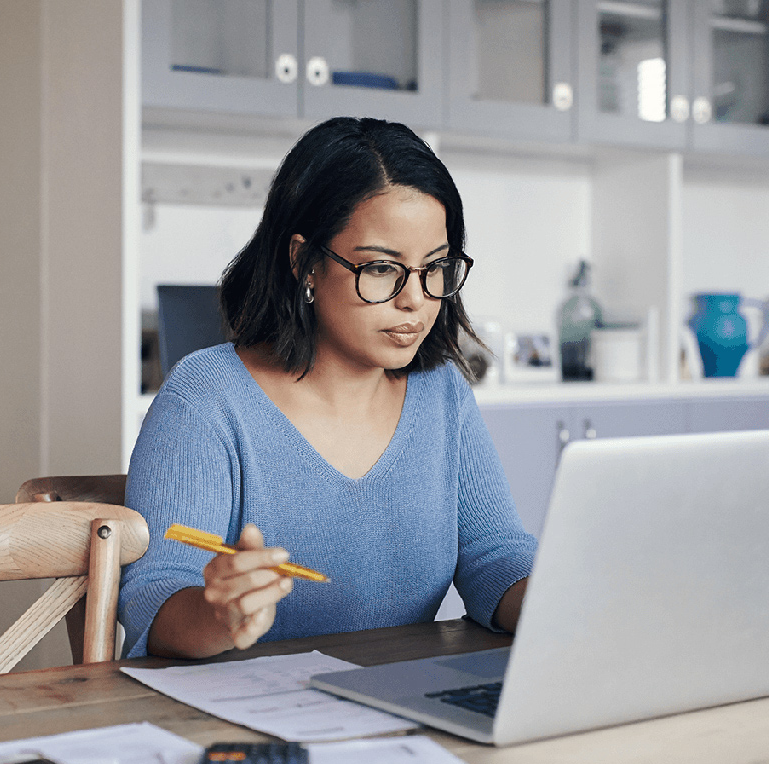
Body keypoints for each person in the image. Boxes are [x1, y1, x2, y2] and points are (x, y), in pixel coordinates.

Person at [119, 117, 536, 660]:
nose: (415, 300)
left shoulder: (442, 394)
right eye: (383, 268)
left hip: (395, 708)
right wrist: (218, 613)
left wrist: (569, 601)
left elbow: (494, 557)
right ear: (305, 262)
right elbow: (155, 598)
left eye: (435, 268)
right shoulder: (207, 398)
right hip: (240, 726)